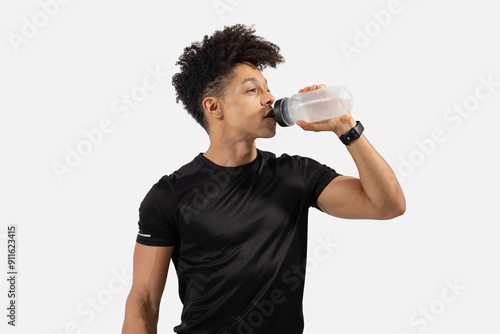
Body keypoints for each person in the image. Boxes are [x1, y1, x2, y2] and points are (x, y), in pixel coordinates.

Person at [122, 24, 405, 334]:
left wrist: (345, 128)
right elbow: (144, 300)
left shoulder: (296, 175)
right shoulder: (170, 195)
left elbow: (387, 205)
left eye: (268, 88)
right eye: (252, 90)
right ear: (214, 107)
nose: (270, 98)